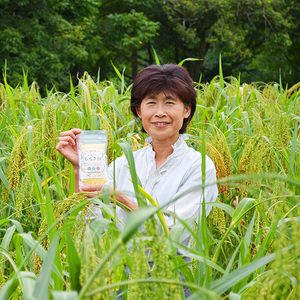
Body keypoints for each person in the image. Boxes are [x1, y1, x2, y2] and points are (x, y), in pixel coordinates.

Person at [56, 64, 218, 248]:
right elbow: (90, 227)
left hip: (174, 274)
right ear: (139, 111)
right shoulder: (122, 165)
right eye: (151, 103)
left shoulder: (199, 167)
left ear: (187, 110)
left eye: (170, 103)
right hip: (120, 274)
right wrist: (80, 169)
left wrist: (124, 202)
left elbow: (176, 232)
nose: (160, 112)